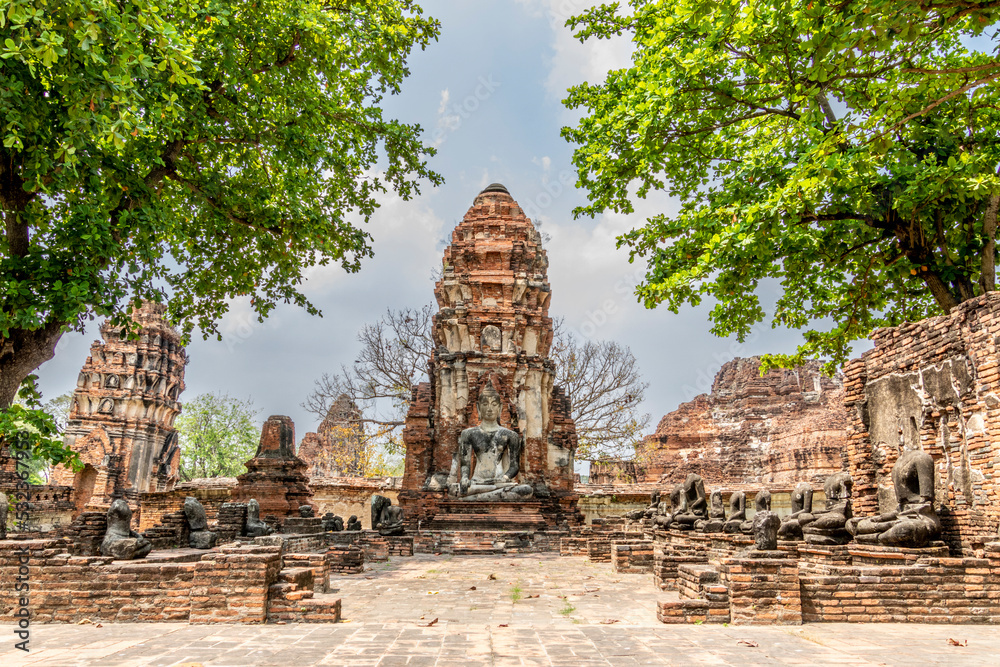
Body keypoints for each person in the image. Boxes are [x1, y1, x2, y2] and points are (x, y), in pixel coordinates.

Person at [448, 382, 532, 501]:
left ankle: (474, 498)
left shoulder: (510, 435)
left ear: (500, 407)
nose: (489, 408)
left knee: (526, 490)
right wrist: (465, 478)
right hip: (477, 482)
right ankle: (485, 495)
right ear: (478, 407)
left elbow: (514, 466)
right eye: (485, 404)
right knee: (453, 490)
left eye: (494, 404)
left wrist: (504, 478)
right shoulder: (468, 434)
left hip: (500, 482)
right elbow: (465, 464)